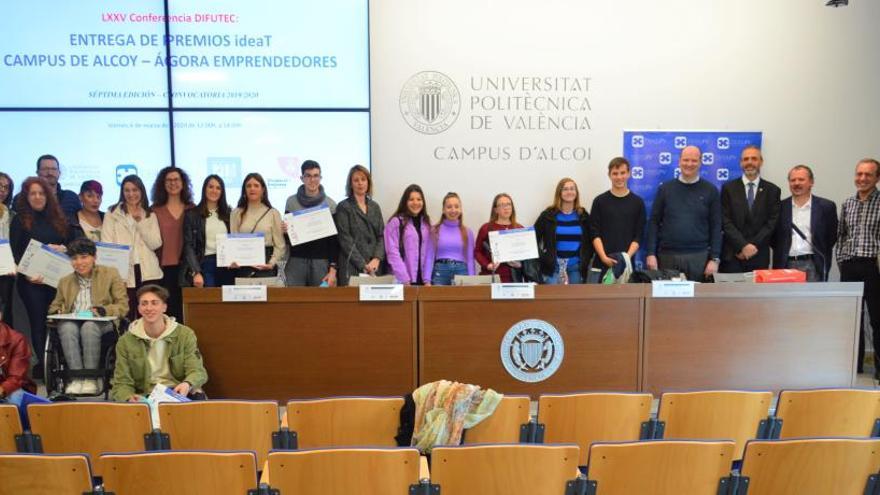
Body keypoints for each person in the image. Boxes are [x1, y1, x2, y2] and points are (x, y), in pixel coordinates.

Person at [10, 177, 75, 377]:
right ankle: (48, 369)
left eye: (41, 193)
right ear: (26, 197)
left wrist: (64, 248)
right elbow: (15, 252)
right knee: (38, 323)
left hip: (58, 281)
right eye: (33, 193)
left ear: (48, 195)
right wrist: (28, 274)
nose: (38, 197)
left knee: (60, 321)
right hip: (32, 282)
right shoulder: (20, 220)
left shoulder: (59, 217)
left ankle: (63, 364)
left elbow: (73, 244)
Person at [47, 238, 128, 395]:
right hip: (73, 322)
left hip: (102, 324)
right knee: (67, 327)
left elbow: (123, 306)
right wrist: (57, 312)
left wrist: (104, 310)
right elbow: (54, 307)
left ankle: (91, 378)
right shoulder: (65, 281)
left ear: (94, 257)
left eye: (84, 257)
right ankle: (76, 378)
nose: (79, 262)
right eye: (74, 258)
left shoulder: (110, 274)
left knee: (89, 327)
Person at [110, 284, 207, 402]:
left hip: (178, 391)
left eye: (154, 303)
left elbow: (197, 371)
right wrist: (128, 397)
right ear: (139, 309)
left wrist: (187, 384)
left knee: (198, 399)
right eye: (144, 303)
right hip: (145, 395)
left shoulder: (185, 335)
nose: (149, 308)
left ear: (164, 307)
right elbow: (121, 382)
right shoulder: (125, 341)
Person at [646, 145, 722, 281]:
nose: (689, 164)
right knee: (666, 301)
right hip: (667, 256)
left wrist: (715, 259)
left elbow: (717, 226)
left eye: (694, 160)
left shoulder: (711, 190)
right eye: (686, 160)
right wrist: (651, 253)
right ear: (679, 161)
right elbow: (654, 222)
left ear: (700, 162)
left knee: (696, 302)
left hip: (699, 257)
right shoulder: (665, 189)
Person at [836, 158, 880, 377]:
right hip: (850, 266)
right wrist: (842, 260)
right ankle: (855, 365)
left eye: (868, 175)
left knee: (877, 318)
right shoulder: (847, 203)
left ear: (877, 178)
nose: (862, 179)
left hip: (874, 266)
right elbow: (842, 235)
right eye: (859, 174)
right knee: (852, 317)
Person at [102, 175, 163, 321]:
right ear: (122, 192)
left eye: (135, 190)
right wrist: (116, 275)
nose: (131, 194)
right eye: (127, 190)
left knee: (150, 314)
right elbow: (107, 245)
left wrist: (140, 222)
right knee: (127, 315)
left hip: (148, 271)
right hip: (123, 273)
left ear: (141, 191)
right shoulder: (112, 213)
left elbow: (156, 243)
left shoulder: (149, 214)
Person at [719, 146, 781, 273]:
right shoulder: (728, 188)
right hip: (732, 255)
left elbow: (772, 223)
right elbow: (725, 220)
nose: (749, 162)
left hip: (759, 255)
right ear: (741, 163)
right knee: (730, 293)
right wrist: (742, 246)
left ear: (761, 162)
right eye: (746, 159)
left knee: (757, 293)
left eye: (754, 158)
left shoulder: (772, 190)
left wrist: (752, 246)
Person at [772, 165, 838, 282]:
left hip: (814, 264)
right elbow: (773, 239)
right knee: (786, 301)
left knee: (812, 300)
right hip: (785, 265)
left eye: (801, 179)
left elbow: (831, 237)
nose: (797, 183)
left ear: (811, 182)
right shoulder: (779, 207)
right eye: (793, 180)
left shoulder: (826, 207)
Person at [283, 160, 339, 287]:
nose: (312, 180)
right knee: (294, 301)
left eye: (315, 176)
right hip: (296, 261)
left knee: (321, 303)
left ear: (321, 178)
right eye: (308, 176)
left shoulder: (330, 204)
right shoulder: (291, 202)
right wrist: (285, 231)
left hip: (321, 262)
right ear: (302, 178)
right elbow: (288, 237)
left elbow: (334, 241)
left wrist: (333, 268)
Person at [590, 157, 646, 280]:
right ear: (609, 175)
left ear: (629, 173)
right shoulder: (599, 201)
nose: (619, 177)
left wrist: (625, 259)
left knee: (627, 299)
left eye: (622, 173)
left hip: (627, 266)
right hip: (602, 264)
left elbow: (639, 235)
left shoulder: (638, 202)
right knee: (600, 299)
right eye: (615, 173)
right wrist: (604, 257)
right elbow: (594, 233)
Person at [151, 167, 194, 322]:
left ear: (183, 183)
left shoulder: (192, 209)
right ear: (162, 184)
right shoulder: (154, 210)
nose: (173, 183)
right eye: (168, 180)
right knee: (168, 314)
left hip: (187, 270)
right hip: (163, 269)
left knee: (187, 313)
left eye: (176, 180)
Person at [534, 178, 592, 284]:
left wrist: (585, 260)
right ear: (559, 193)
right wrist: (545, 258)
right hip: (553, 268)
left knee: (575, 300)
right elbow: (532, 239)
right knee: (552, 299)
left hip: (576, 268)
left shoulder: (583, 215)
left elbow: (591, 242)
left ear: (576, 193)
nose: (569, 192)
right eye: (565, 189)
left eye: (572, 189)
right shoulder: (548, 215)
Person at [335, 165, 385, 286]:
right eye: (356, 180)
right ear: (350, 184)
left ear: (368, 182)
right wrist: (363, 265)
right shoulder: (343, 207)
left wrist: (377, 259)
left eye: (363, 179)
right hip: (352, 266)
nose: (360, 183)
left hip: (374, 266)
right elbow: (345, 240)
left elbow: (381, 236)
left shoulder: (375, 206)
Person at [230, 173, 286, 278]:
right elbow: (233, 242)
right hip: (243, 268)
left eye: (256, 185)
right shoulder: (235, 213)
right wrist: (234, 260)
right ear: (244, 190)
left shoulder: (273, 213)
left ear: (263, 189)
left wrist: (271, 263)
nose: (252, 188)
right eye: (249, 186)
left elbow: (280, 245)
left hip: (266, 267)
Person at [181, 175, 233, 288]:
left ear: (222, 192)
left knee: (228, 304)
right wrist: (196, 271)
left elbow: (235, 240)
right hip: (205, 264)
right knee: (209, 303)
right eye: (211, 187)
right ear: (205, 189)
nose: (214, 190)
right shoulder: (192, 215)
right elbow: (188, 245)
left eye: (218, 188)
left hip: (227, 265)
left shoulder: (229, 214)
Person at [385, 185, 433, 285]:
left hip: (423, 282)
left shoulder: (427, 224)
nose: (415, 203)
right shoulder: (396, 222)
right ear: (405, 202)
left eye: (419, 199)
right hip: (403, 281)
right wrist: (404, 279)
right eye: (411, 199)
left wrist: (427, 280)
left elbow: (430, 253)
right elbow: (392, 253)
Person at [475, 193, 524, 283]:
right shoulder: (486, 228)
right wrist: (487, 265)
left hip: (514, 279)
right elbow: (477, 251)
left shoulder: (520, 229)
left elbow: (526, 255)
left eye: (509, 204)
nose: (506, 207)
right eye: (502, 205)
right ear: (496, 210)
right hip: (491, 277)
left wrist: (521, 264)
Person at [428, 192, 475, 285]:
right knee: (438, 299)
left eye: (456, 206)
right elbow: (429, 257)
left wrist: (471, 280)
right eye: (449, 207)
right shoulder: (435, 230)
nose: (453, 210)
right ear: (443, 210)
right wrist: (427, 280)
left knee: (461, 299)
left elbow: (470, 259)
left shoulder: (467, 232)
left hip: (461, 272)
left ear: (461, 209)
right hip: (440, 272)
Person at [14, 155, 81, 216]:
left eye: (54, 169)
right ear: (37, 172)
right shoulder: (21, 198)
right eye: (45, 169)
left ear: (59, 173)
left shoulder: (71, 197)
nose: (50, 173)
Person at [0, 309, 37, 406]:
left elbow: (16, 377)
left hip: (7, 387)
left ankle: (24, 421)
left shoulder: (16, 339)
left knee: (16, 398)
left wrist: (2, 389)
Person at [0, 172, 15, 326]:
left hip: (5, 271)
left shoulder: (11, 214)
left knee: (5, 313)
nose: (3, 190)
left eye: (6, 187)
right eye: (0, 186)